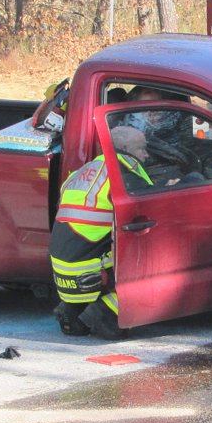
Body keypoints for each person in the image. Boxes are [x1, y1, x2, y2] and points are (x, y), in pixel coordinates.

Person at [49, 126, 151, 340]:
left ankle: (72, 311)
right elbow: (148, 211)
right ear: (125, 149)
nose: (146, 154)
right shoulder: (124, 173)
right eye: (142, 149)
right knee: (149, 263)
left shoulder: (85, 171)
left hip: (65, 263)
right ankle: (99, 316)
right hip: (90, 269)